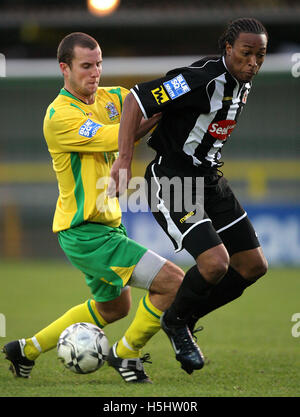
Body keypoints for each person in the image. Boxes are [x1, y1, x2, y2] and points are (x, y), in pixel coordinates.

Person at [2, 32, 185, 383]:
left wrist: (185, 86)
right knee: (173, 283)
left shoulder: (110, 97)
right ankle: (126, 356)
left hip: (108, 225)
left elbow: (145, 100)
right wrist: (165, 110)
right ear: (64, 69)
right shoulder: (59, 116)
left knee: (115, 307)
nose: (95, 72)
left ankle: (24, 350)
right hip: (85, 232)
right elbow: (121, 134)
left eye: (99, 63)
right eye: (86, 65)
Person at [108, 18, 269, 374]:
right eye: (246, 53)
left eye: (260, 55)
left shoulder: (242, 82)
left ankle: (181, 318)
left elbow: (172, 108)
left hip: (210, 180)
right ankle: (178, 321)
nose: (253, 62)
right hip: (172, 179)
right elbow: (138, 99)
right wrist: (124, 158)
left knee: (253, 265)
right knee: (214, 263)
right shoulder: (200, 78)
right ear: (227, 49)